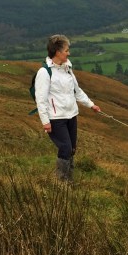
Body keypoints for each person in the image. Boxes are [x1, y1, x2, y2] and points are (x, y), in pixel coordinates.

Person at [34, 34, 100, 182]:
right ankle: (62, 182)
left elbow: (77, 91)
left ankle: (69, 181)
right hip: (56, 118)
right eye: (66, 50)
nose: (68, 53)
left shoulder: (67, 69)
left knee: (72, 149)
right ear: (58, 52)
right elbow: (41, 99)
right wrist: (45, 122)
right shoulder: (44, 73)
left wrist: (91, 105)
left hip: (71, 115)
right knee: (65, 148)